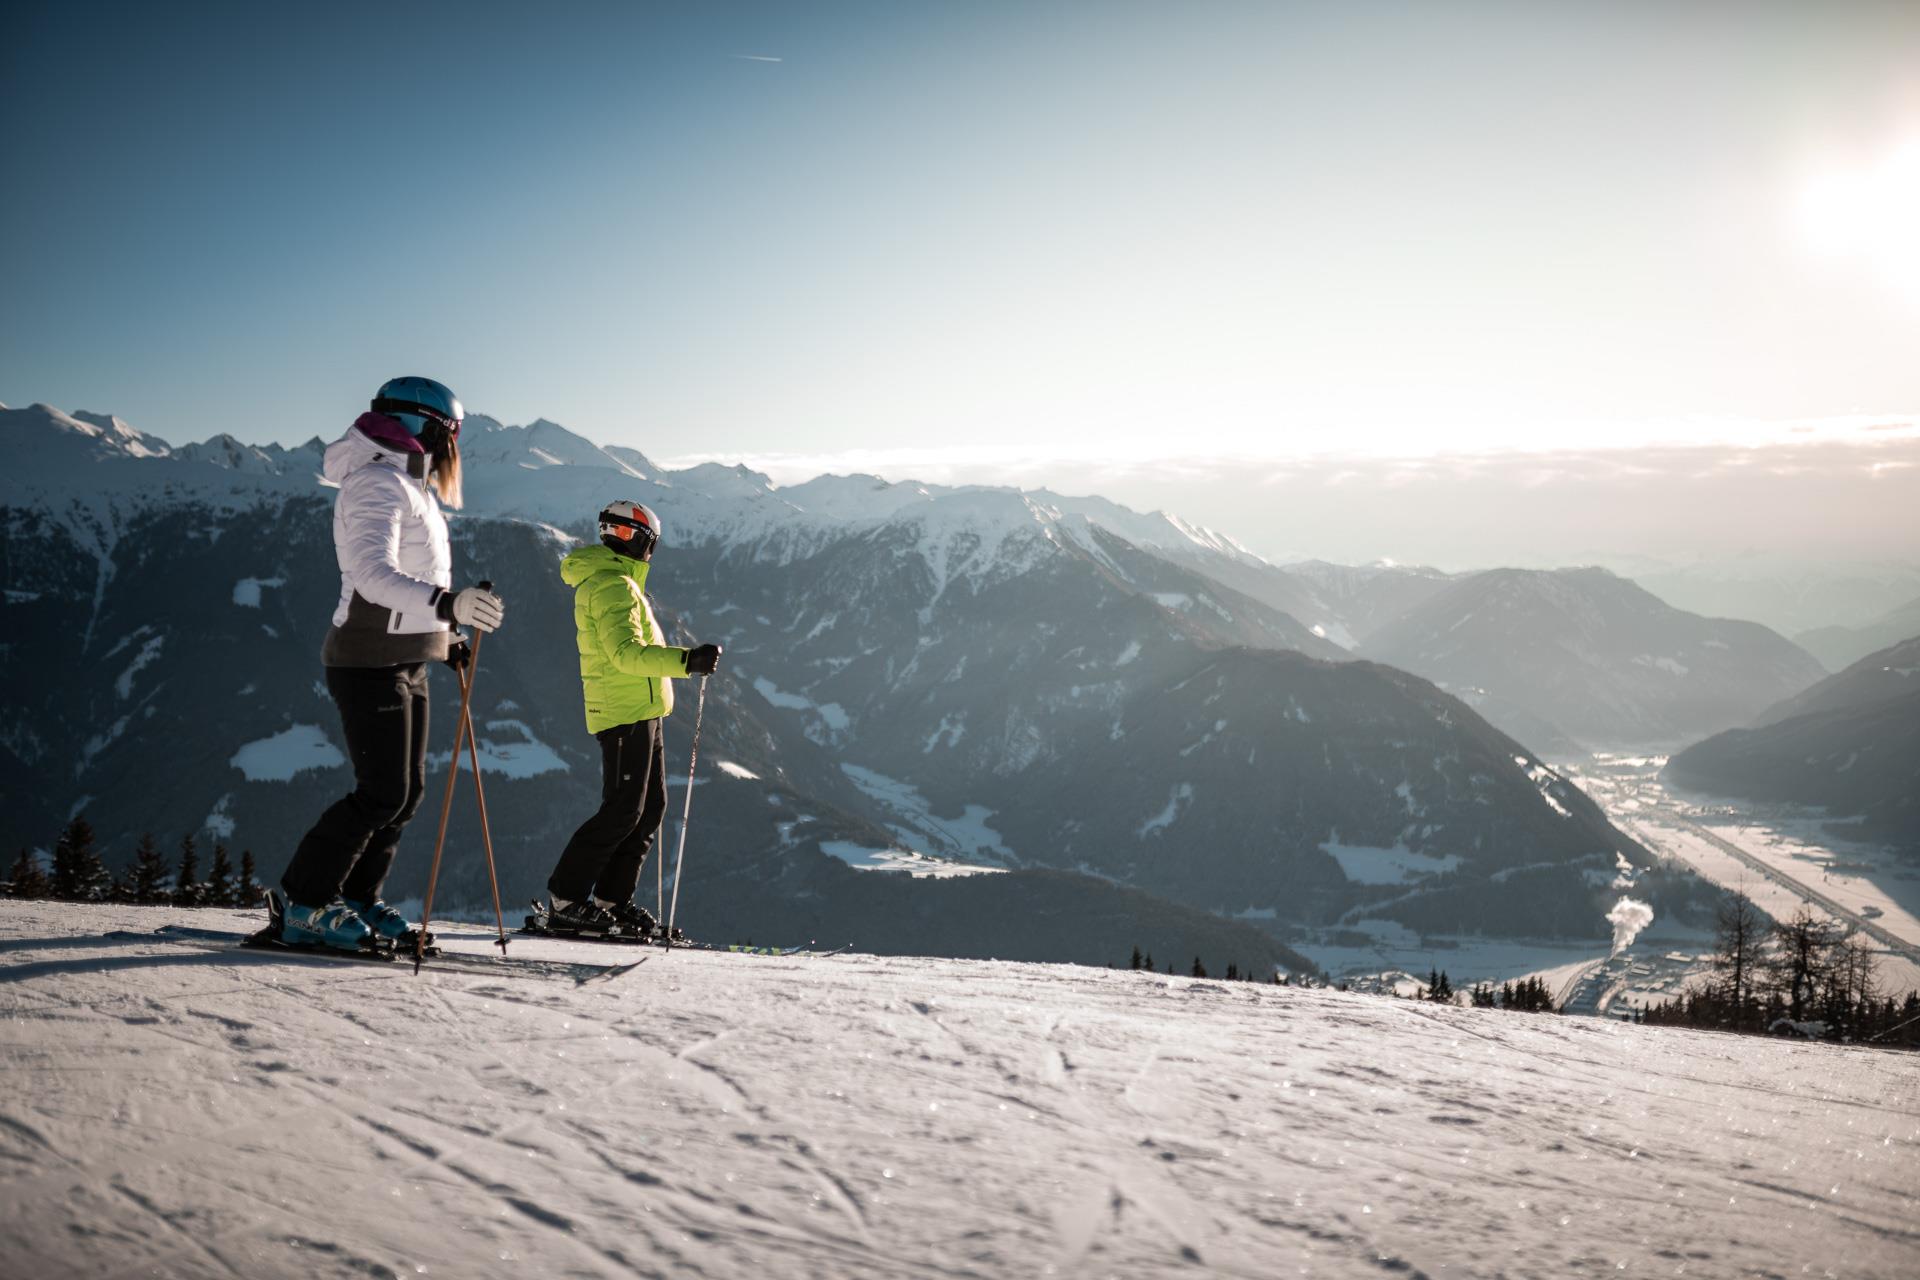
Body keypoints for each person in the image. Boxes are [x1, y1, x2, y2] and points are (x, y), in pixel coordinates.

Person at [277, 377, 505, 950]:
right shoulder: (376, 484)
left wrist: (443, 634)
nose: (455, 449)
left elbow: (419, 576)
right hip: (365, 657)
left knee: (406, 793)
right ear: (427, 428)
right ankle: (303, 904)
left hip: (408, 656)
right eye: (452, 436)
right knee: (379, 792)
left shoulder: (409, 483)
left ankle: (356, 895)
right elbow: (374, 577)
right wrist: (449, 607)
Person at [543, 500, 721, 936]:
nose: (620, 540)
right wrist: (687, 661)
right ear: (648, 544)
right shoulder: (612, 586)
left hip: (641, 711)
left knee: (648, 810)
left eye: (622, 533)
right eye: (615, 532)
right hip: (623, 713)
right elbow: (626, 655)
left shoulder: (617, 582)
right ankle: (566, 899)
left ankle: (611, 901)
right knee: (623, 810)